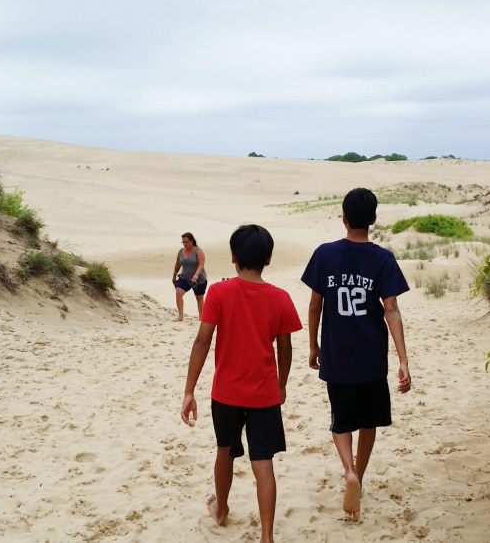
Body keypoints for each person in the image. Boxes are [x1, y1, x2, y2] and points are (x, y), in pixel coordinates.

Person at [180, 224, 303, 543]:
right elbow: (285, 347)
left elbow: (202, 342)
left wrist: (189, 390)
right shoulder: (280, 298)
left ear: (233, 257)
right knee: (263, 462)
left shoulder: (219, 292)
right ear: (269, 258)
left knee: (225, 451)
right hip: (264, 394)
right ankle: (266, 536)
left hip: (226, 394)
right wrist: (282, 384)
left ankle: (220, 509)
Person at [300, 187, 411, 522]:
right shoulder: (382, 259)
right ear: (374, 220)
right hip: (372, 356)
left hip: (337, 353)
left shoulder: (325, 254)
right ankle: (358, 477)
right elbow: (391, 309)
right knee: (368, 422)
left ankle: (347, 470)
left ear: (343, 218)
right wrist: (403, 359)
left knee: (341, 420)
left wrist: (313, 344)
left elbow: (315, 304)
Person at [172, 232, 207, 321]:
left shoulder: (198, 251)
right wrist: (174, 276)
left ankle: (201, 318)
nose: (184, 244)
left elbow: (201, 265)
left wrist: (196, 275)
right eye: (183, 242)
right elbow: (177, 264)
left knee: (199, 298)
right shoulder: (181, 251)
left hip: (199, 279)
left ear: (191, 241)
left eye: (186, 242)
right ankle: (180, 316)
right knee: (178, 292)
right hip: (185, 278)